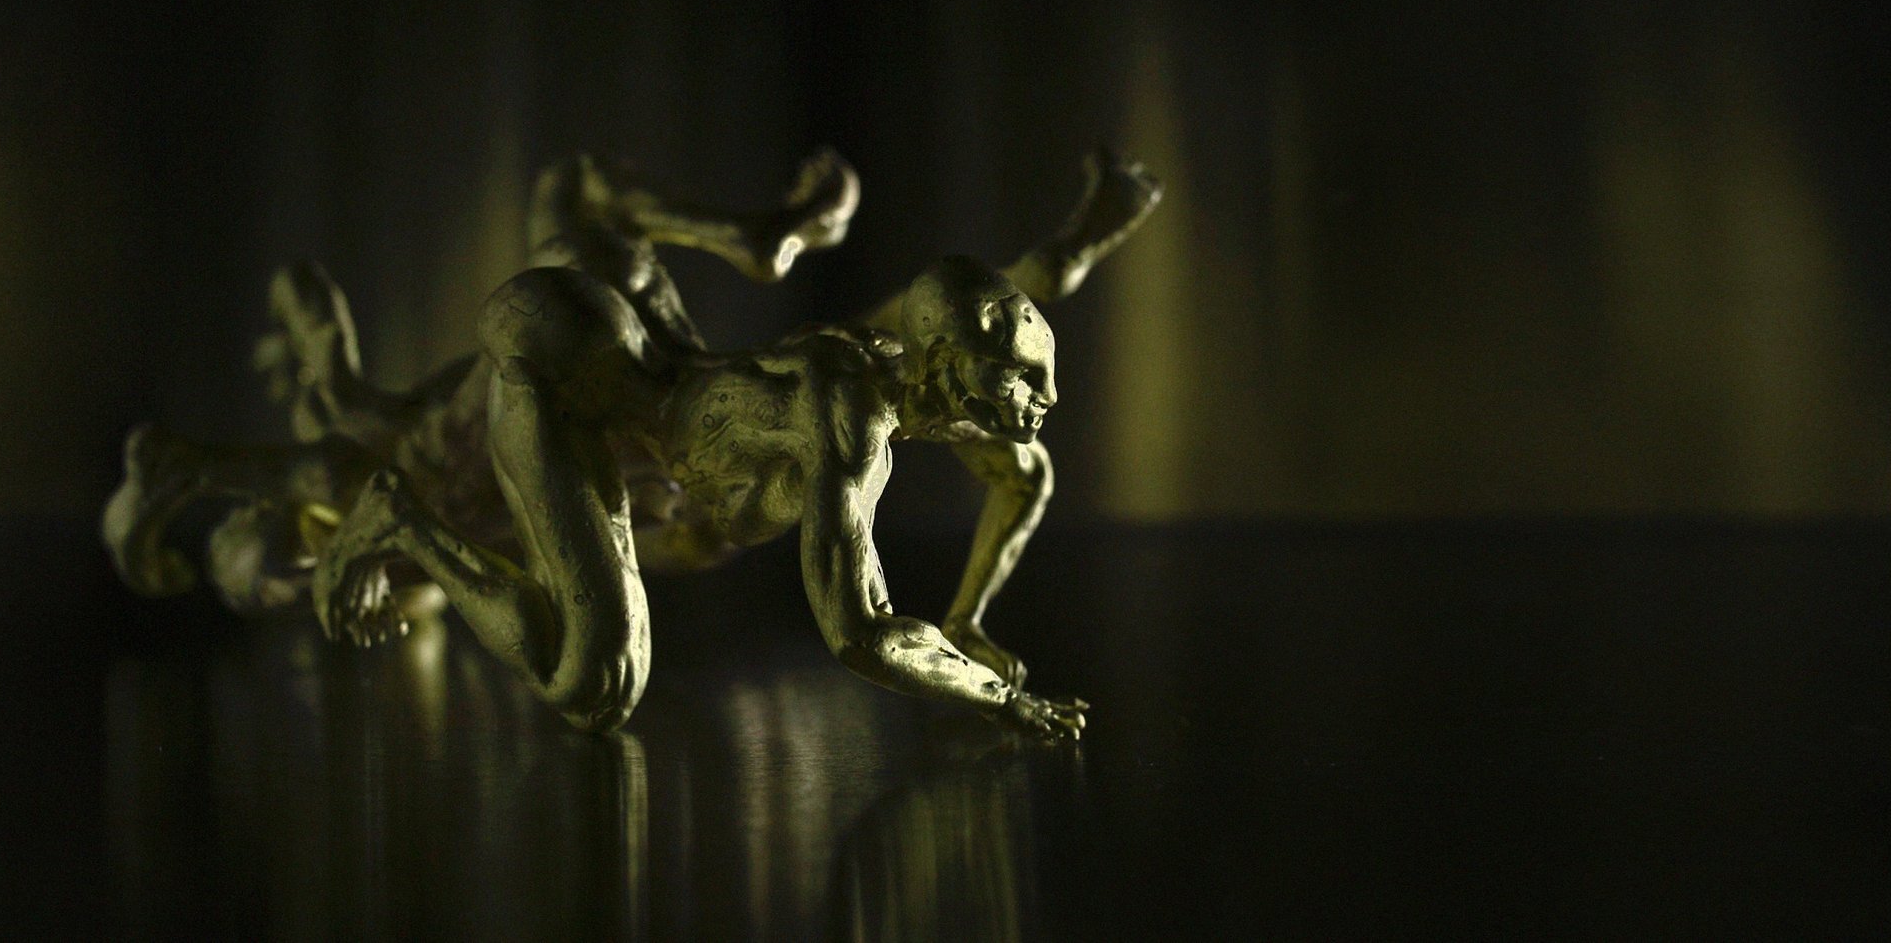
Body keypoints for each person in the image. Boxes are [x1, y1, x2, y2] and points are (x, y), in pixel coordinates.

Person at [108, 147, 1162, 740]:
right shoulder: (853, 418)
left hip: (634, 373)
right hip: (581, 381)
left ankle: (750, 239)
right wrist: (1005, 695)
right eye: (1028, 381)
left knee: (571, 219)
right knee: (595, 685)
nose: (1045, 402)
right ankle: (397, 524)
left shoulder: (878, 371)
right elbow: (862, 631)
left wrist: (972, 620)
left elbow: (1016, 457)